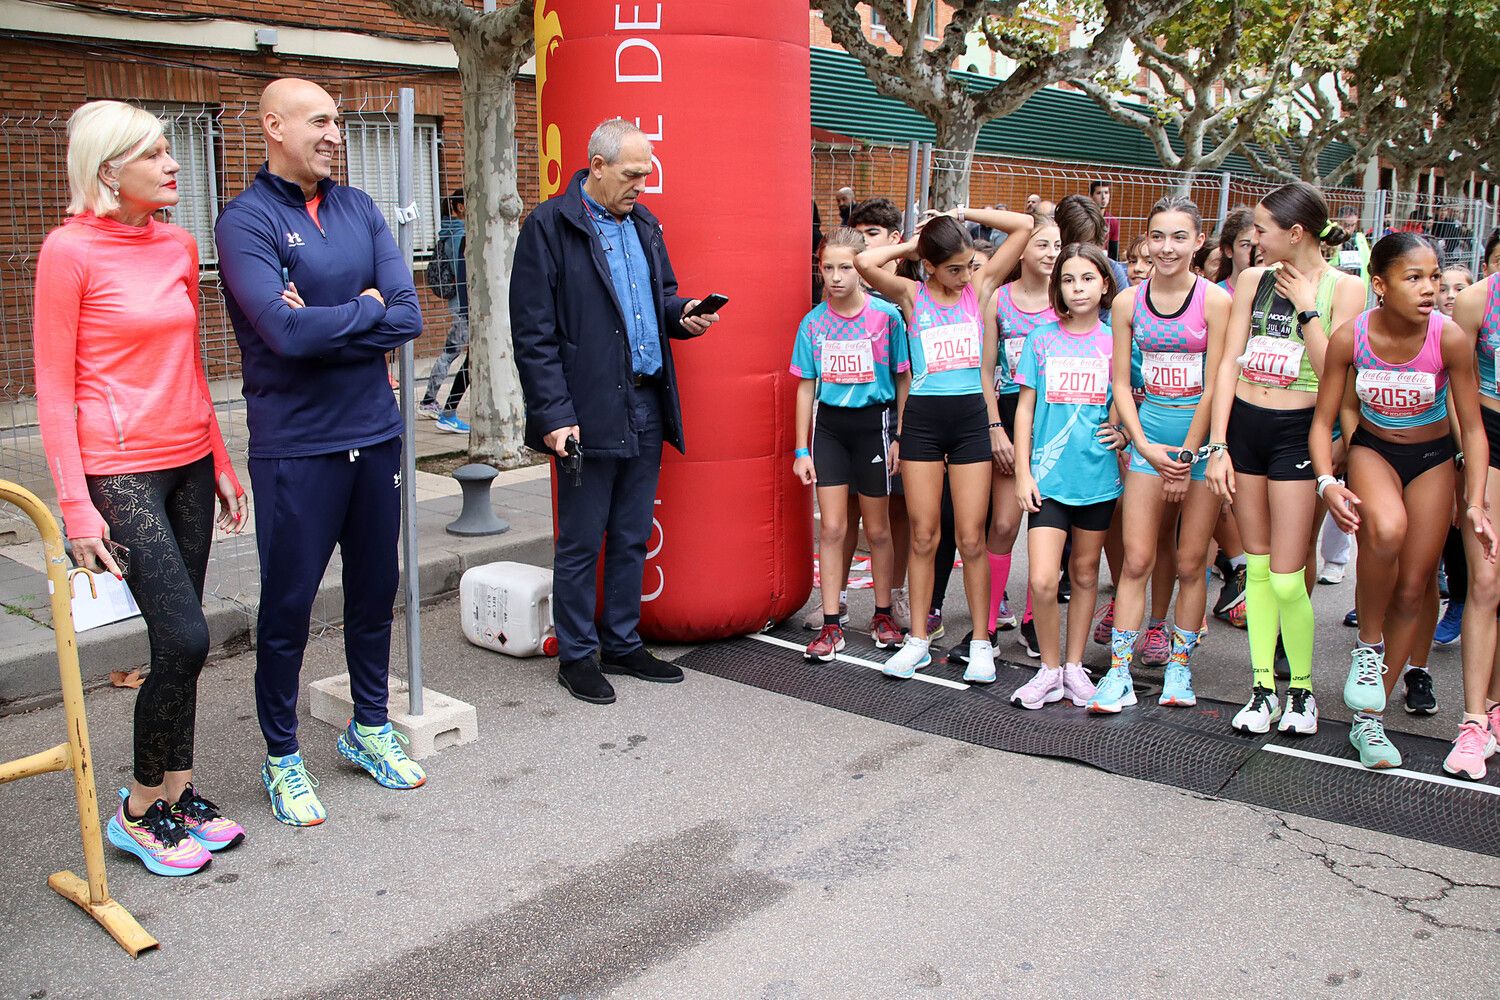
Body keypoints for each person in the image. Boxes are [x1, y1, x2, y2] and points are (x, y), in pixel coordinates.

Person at [34, 100, 248, 875]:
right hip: (118, 469)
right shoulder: (68, 251)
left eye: (169, 151)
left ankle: (179, 793)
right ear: (107, 171)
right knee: (186, 636)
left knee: (178, 647)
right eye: (155, 154)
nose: (173, 164)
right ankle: (134, 810)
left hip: (189, 456)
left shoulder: (178, 245)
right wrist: (73, 505)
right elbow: (53, 388)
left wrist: (221, 460)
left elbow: (190, 363)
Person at [215, 78, 427, 827]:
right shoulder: (245, 221)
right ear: (274, 126)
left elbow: (408, 318)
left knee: (375, 594)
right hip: (296, 449)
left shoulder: (360, 208)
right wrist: (361, 309)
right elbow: (281, 333)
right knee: (288, 610)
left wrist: (340, 316)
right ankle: (281, 758)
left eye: (337, 121)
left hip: (375, 435)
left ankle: (369, 730)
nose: (336, 133)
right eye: (321, 121)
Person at [510, 118, 719, 706]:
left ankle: (622, 643)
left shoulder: (646, 224)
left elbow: (662, 298)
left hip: (646, 400)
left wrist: (685, 316)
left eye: (646, 174)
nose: (642, 186)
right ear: (595, 166)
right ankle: (578, 656)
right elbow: (534, 333)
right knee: (581, 540)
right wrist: (553, 415)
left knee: (629, 533)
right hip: (585, 409)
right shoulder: (549, 228)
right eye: (632, 175)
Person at [1313, 232, 1495, 769]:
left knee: (1415, 591)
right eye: (1413, 277)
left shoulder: (1451, 339)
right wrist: (1328, 482)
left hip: (1434, 459)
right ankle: (1367, 650)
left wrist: (1476, 502)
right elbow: (1323, 422)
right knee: (1385, 530)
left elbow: (1475, 430)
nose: (1429, 288)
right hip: (1373, 452)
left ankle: (1370, 723)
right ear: (1380, 285)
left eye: (1434, 277)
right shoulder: (1351, 338)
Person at [1206, 181, 1367, 736]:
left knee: (1287, 576)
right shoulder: (1250, 280)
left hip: (1300, 433)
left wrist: (1305, 311)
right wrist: (1219, 446)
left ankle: (1302, 691)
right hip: (1247, 427)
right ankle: (1260, 689)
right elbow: (1228, 363)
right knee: (1256, 567)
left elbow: (1336, 377)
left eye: (1261, 228)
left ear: (1295, 234)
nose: (1253, 236)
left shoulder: (1343, 289)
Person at [857, 207, 1035, 682]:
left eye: (968, 266)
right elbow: (865, 263)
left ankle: (981, 643)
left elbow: (1022, 227)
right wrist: (912, 246)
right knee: (922, 534)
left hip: (971, 419)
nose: (963, 276)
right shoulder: (912, 295)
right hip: (923, 423)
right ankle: (917, 640)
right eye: (952, 268)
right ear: (930, 265)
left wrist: (961, 214)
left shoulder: (977, 290)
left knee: (971, 537)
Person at [1097, 197, 1231, 712]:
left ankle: (1180, 668)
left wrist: (1189, 453)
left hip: (1197, 449)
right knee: (1136, 560)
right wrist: (1146, 447)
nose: (1167, 247)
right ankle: (1119, 672)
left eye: (1179, 236)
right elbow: (1122, 385)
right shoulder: (1129, 303)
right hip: (1150, 444)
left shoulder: (1215, 301)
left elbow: (1218, 383)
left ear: (1199, 242)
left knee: (1193, 562)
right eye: (1158, 236)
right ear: (1146, 241)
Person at [1008, 244, 1124, 709]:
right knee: (1040, 579)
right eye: (1069, 280)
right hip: (1047, 480)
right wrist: (1021, 472)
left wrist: (1121, 430)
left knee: (1084, 574)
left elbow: (1126, 398)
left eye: (1087, 279)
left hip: (1096, 479)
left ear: (1104, 285)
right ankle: (1049, 670)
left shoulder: (1118, 339)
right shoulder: (1042, 338)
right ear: (1058, 287)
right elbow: (1025, 410)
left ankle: (1075, 668)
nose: (1078, 288)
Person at [791, 228, 908, 660]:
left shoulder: (886, 317)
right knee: (834, 527)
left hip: (875, 425)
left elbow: (903, 377)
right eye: (828, 268)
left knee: (877, 528)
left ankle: (882, 615)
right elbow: (805, 386)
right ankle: (830, 624)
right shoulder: (813, 322)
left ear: (861, 268)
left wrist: (900, 434)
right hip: (830, 429)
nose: (836, 277)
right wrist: (800, 449)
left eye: (845, 267)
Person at [989, 218, 1061, 661]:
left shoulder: (1066, 300)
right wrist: (995, 425)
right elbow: (984, 369)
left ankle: (1035, 620)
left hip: (1053, 419)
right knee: (1002, 524)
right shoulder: (999, 299)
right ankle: (992, 614)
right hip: (1010, 413)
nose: (1052, 252)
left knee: (1045, 525)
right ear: (1020, 251)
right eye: (1042, 244)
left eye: (1057, 244)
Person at [1450, 269, 1500, 777]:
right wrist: (1465, 462)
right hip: (1490, 438)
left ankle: (1496, 703)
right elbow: (1454, 388)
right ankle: (1473, 721)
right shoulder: (1476, 301)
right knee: (1486, 581)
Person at [419, 189, 471, 433]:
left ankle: (434, 403)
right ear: (459, 207)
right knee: (454, 355)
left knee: (461, 356)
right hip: (466, 307)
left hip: (461, 306)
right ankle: (434, 403)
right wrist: (469, 308)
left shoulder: (446, 233)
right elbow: (462, 275)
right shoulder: (460, 234)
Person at [1056, 194, 1129, 292]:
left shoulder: (1113, 271)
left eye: (1091, 243)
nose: (1083, 252)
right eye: (1076, 245)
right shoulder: (1052, 271)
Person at [1213, 207, 1257, 294]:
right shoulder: (1217, 293)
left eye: (1257, 245)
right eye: (1246, 245)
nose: (1253, 251)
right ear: (1228, 250)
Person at [1091, 180, 1120, 259]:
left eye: (1106, 193)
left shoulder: (1113, 221)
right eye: (1099, 193)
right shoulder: (1085, 218)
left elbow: (1114, 252)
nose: (1103, 197)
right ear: (1091, 196)